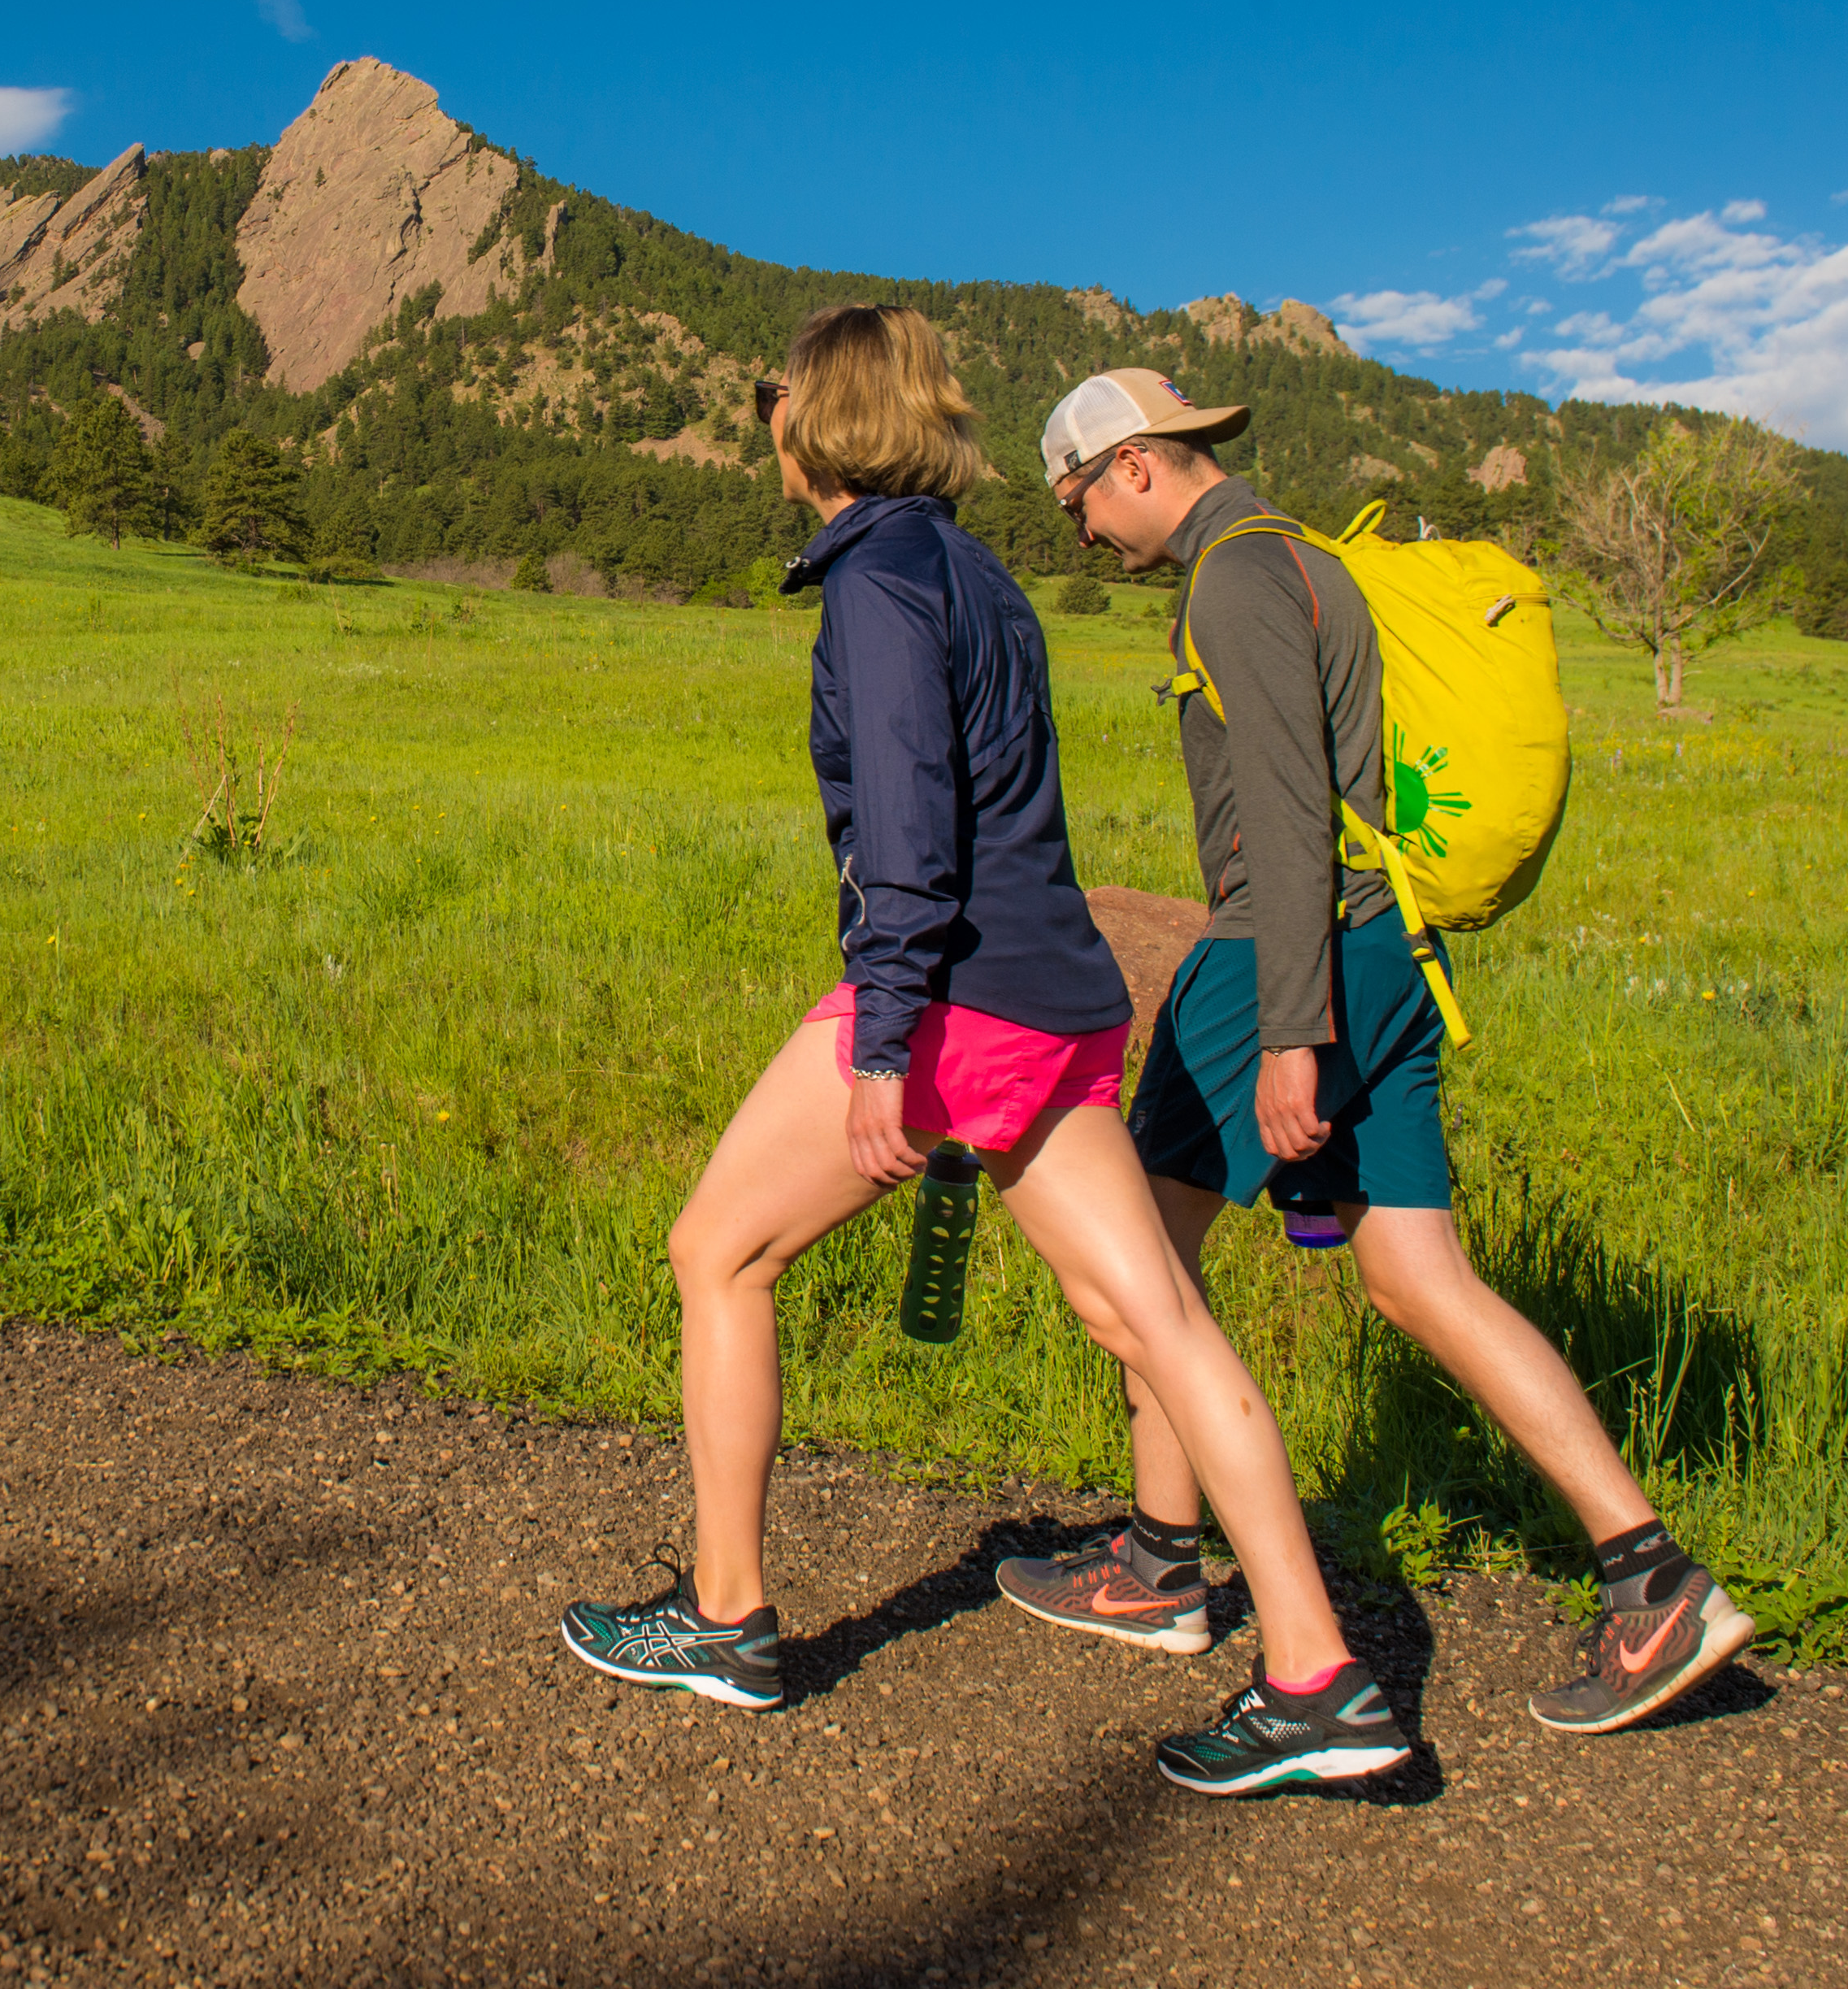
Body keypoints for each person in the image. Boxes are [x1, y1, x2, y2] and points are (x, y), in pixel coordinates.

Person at [557, 307, 1410, 1797]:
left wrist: (885, 1037)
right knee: (1161, 1323)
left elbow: (909, 830)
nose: (764, 414)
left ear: (816, 418)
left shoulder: (878, 584)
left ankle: (724, 1614)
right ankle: (1318, 1670)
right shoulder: (977, 570)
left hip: (952, 1000)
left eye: (774, 390)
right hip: (1058, 994)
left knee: (718, 1253)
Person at [1005, 366, 1756, 1735]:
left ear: (1130, 465)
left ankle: (1163, 1570)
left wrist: (1290, 1028)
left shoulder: (1230, 580)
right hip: (1393, 947)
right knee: (1420, 1276)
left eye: (1077, 507)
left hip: (1283, 959)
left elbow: (1289, 811)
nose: (1088, 539)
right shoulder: (1305, 560)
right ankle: (1655, 1578)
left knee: (1146, 1271)